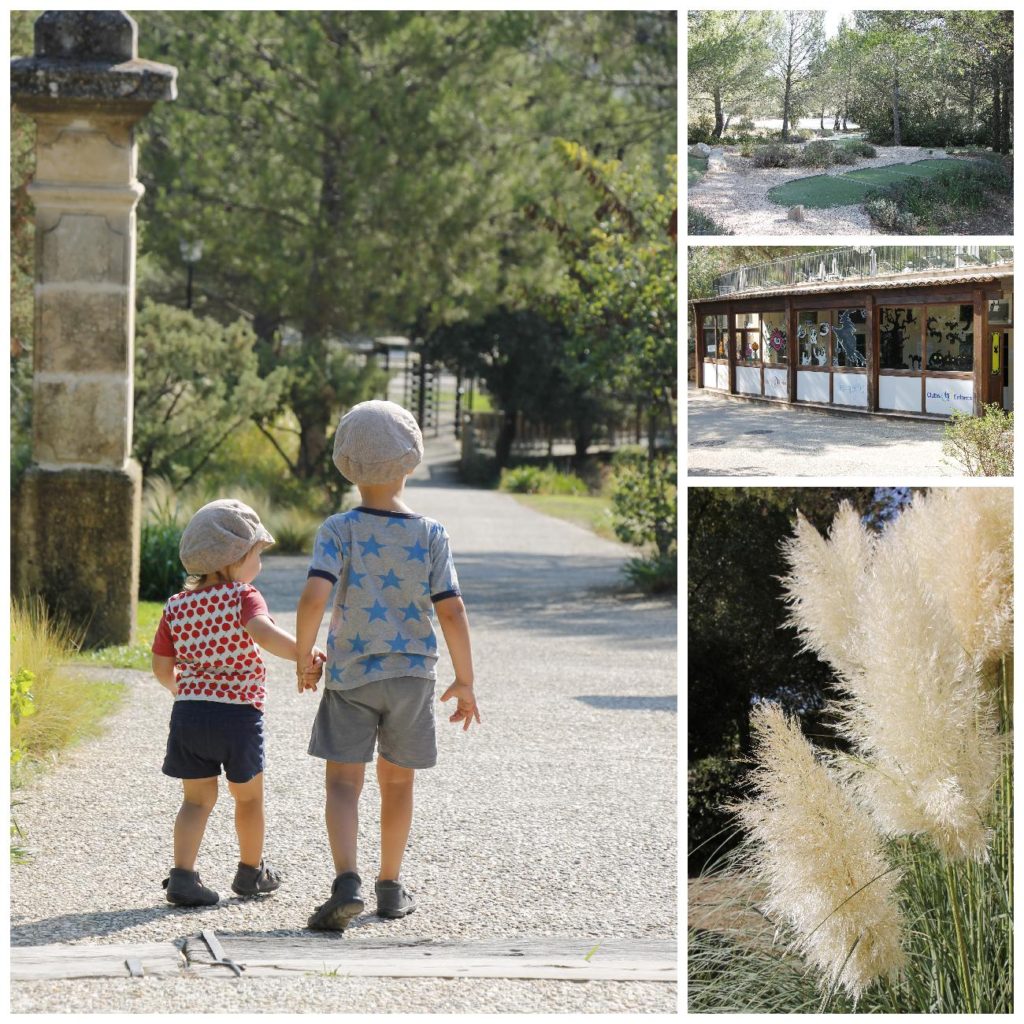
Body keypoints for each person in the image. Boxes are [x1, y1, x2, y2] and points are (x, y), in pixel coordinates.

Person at [296, 400, 481, 931]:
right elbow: (452, 608)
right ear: (412, 462)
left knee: (342, 784)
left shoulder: (337, 529)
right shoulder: (431, 533)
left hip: (352, 674)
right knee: (398, 784)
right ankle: (391, 885)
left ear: (345, 464)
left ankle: (346, 880)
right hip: (411, 676)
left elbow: (314, 598)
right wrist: (464, 679)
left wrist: (307, 653)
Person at [151, 498, 324, 907]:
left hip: (190, 715)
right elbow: (263, 634)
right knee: (248, 798)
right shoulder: (243, 596)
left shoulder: (176, 606)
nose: (259, 564)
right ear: (235, 559)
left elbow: (162, 665)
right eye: (257, 555)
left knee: (195, 800)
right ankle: (250, 872)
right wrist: (304, 653)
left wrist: (182, 690)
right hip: (237, 718)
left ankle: (183, 877)